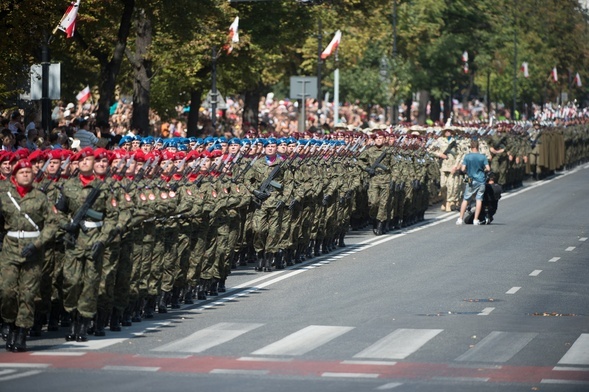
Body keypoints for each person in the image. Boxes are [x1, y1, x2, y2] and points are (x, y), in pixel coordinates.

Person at [0, 159, 59, 352]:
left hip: (33, 251)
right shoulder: (6, 196)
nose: (25, 174)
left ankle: (21, 333)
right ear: (15, 176)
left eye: (28, 172)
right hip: (10, 249)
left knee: (28, 294)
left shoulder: (40, 198)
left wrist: (37, 244)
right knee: (6, 290)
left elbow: (52, 224)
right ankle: (8, 321)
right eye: (21, 172)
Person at [456, 139, 490, 225]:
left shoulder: (467, 156)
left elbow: (463, 169)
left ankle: (460, 218)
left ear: (471, 147)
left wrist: (467, 171)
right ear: (478, 146)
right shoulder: (483, 156)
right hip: (481, 179)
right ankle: (475, 219)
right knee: (479, 199)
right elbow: (488, 168)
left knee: (466, 199)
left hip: (471, 179)